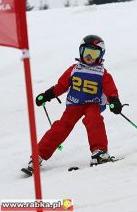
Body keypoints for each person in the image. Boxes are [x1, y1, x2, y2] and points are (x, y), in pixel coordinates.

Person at [24, 34, 123, 174]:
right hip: (74, 104)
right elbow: (61, 86)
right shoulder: (74, 69)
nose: (89, 56)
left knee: (93, 119)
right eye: (85, 51)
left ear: (101, 54)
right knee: (61, 126)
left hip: (93, 104)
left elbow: (111, 90)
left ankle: (99, 152)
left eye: (93, 53)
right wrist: (47, 95)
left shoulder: (102, 73)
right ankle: (38, 155)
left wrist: (115, 101)